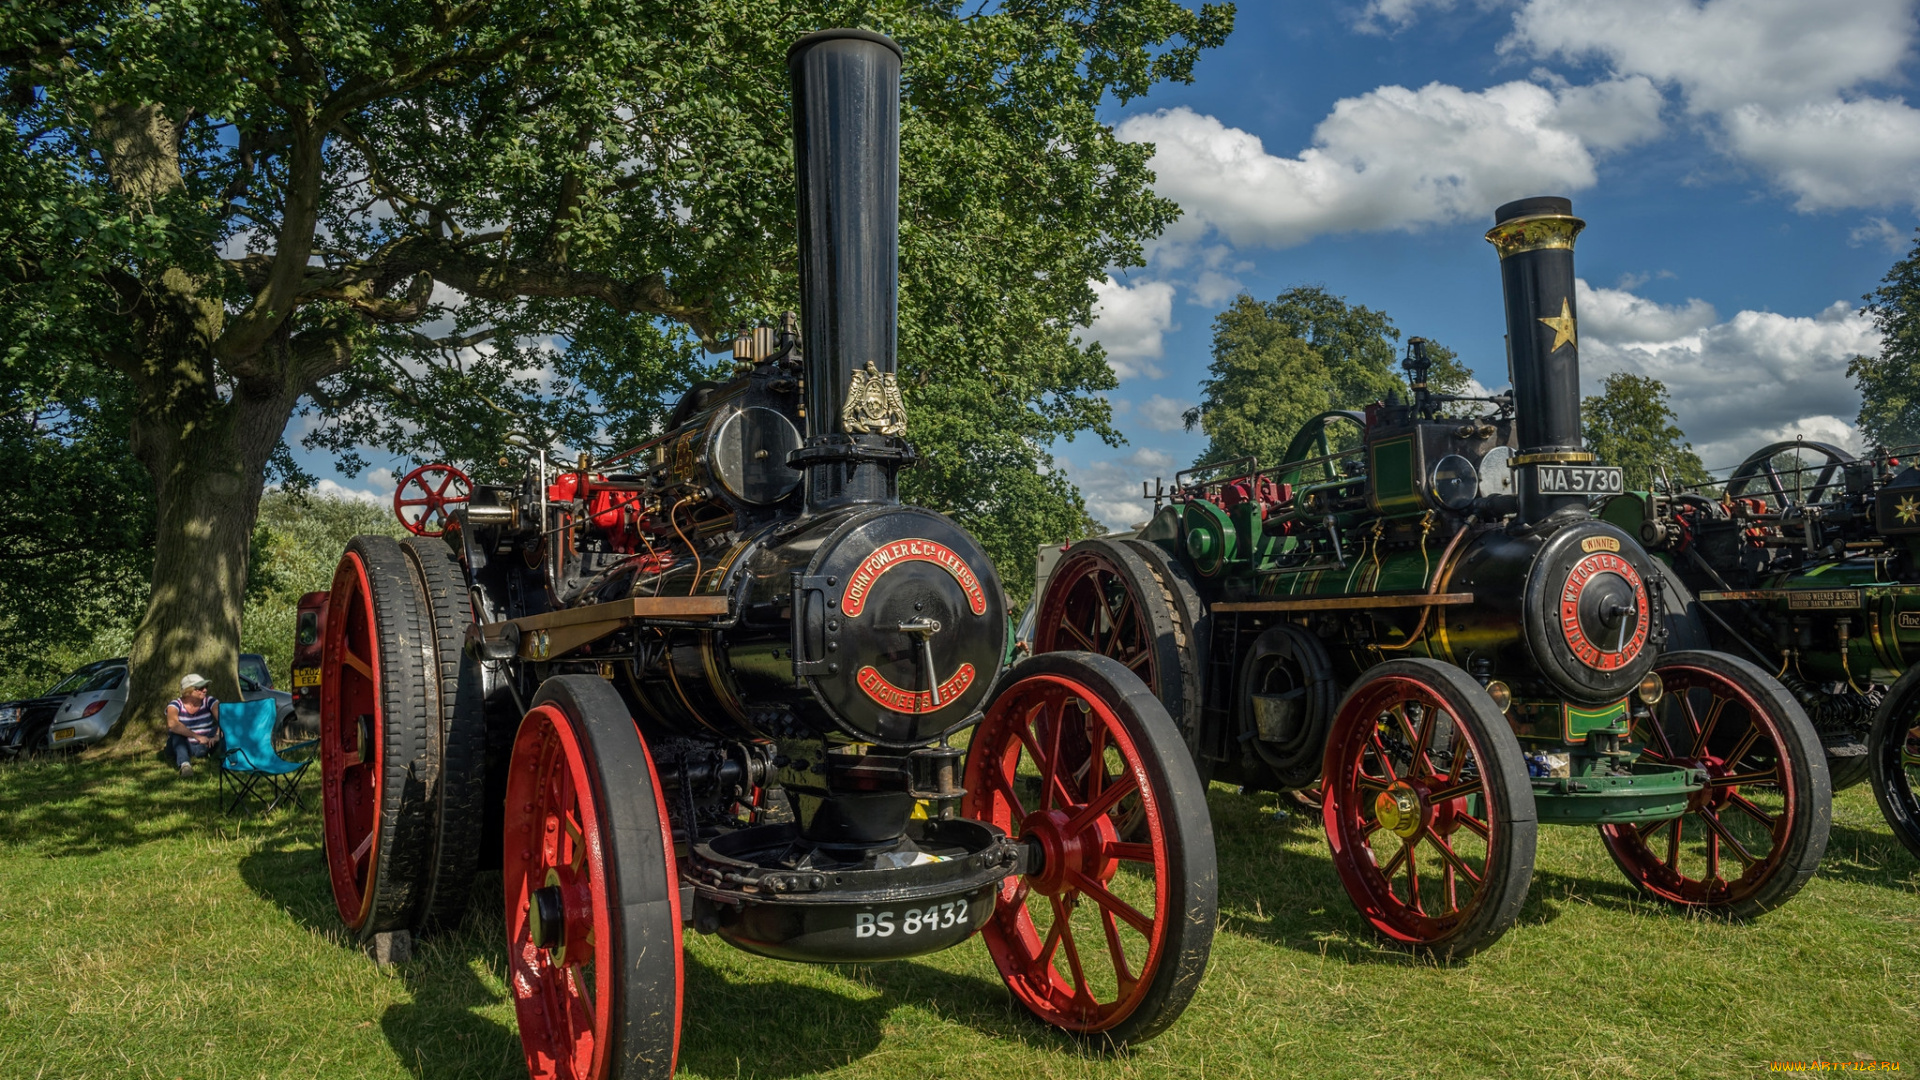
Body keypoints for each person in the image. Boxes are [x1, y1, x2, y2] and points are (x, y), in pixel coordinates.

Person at [165, 674, 222, 777]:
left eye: (206, 687)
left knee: (227, 730)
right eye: (200, 688)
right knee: (175, 734)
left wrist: (217, 735)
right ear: (188, 691)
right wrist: (197, 736)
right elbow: (172, 724)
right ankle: (185, 766)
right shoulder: (175, 704)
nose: (204, 690)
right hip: (184, 745)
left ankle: (227, 758)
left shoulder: (209, 701)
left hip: (207, 743)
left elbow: (225, 719)